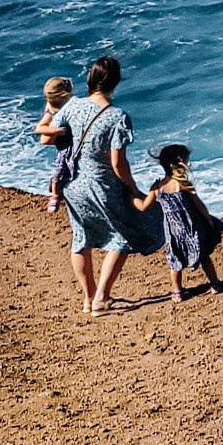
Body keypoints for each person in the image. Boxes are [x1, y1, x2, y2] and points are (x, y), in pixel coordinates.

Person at [37, 53, 161, 316]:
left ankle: (88, 298)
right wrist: (133, 188)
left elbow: (47, 138)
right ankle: (102, 299)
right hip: (102, 185)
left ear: (89, 79)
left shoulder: (72, 106)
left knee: (81, 239)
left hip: (72, 184)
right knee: (122, 236)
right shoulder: (118, 117)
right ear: (116, 81)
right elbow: (118, 163)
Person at [133, 144, 223, 302]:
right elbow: (198, 204)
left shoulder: (157, 187)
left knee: (174, 262)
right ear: (177, 164)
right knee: (204, 256)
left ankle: (177, 292)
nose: (188, 164)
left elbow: (143, 206)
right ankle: (215, 284)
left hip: (173, 232)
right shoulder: (183, 183)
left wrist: (131, 197)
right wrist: (209, 220)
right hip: (192, 228)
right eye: (186, 161)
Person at [39, 77, 77, 214]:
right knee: (59, 170)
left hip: (72, 143)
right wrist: (56, 131)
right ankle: (54, 195)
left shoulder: (68, 106)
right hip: (63, 146)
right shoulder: (51, 109)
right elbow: (40, 129)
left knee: (72, 170)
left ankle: (65, 192)